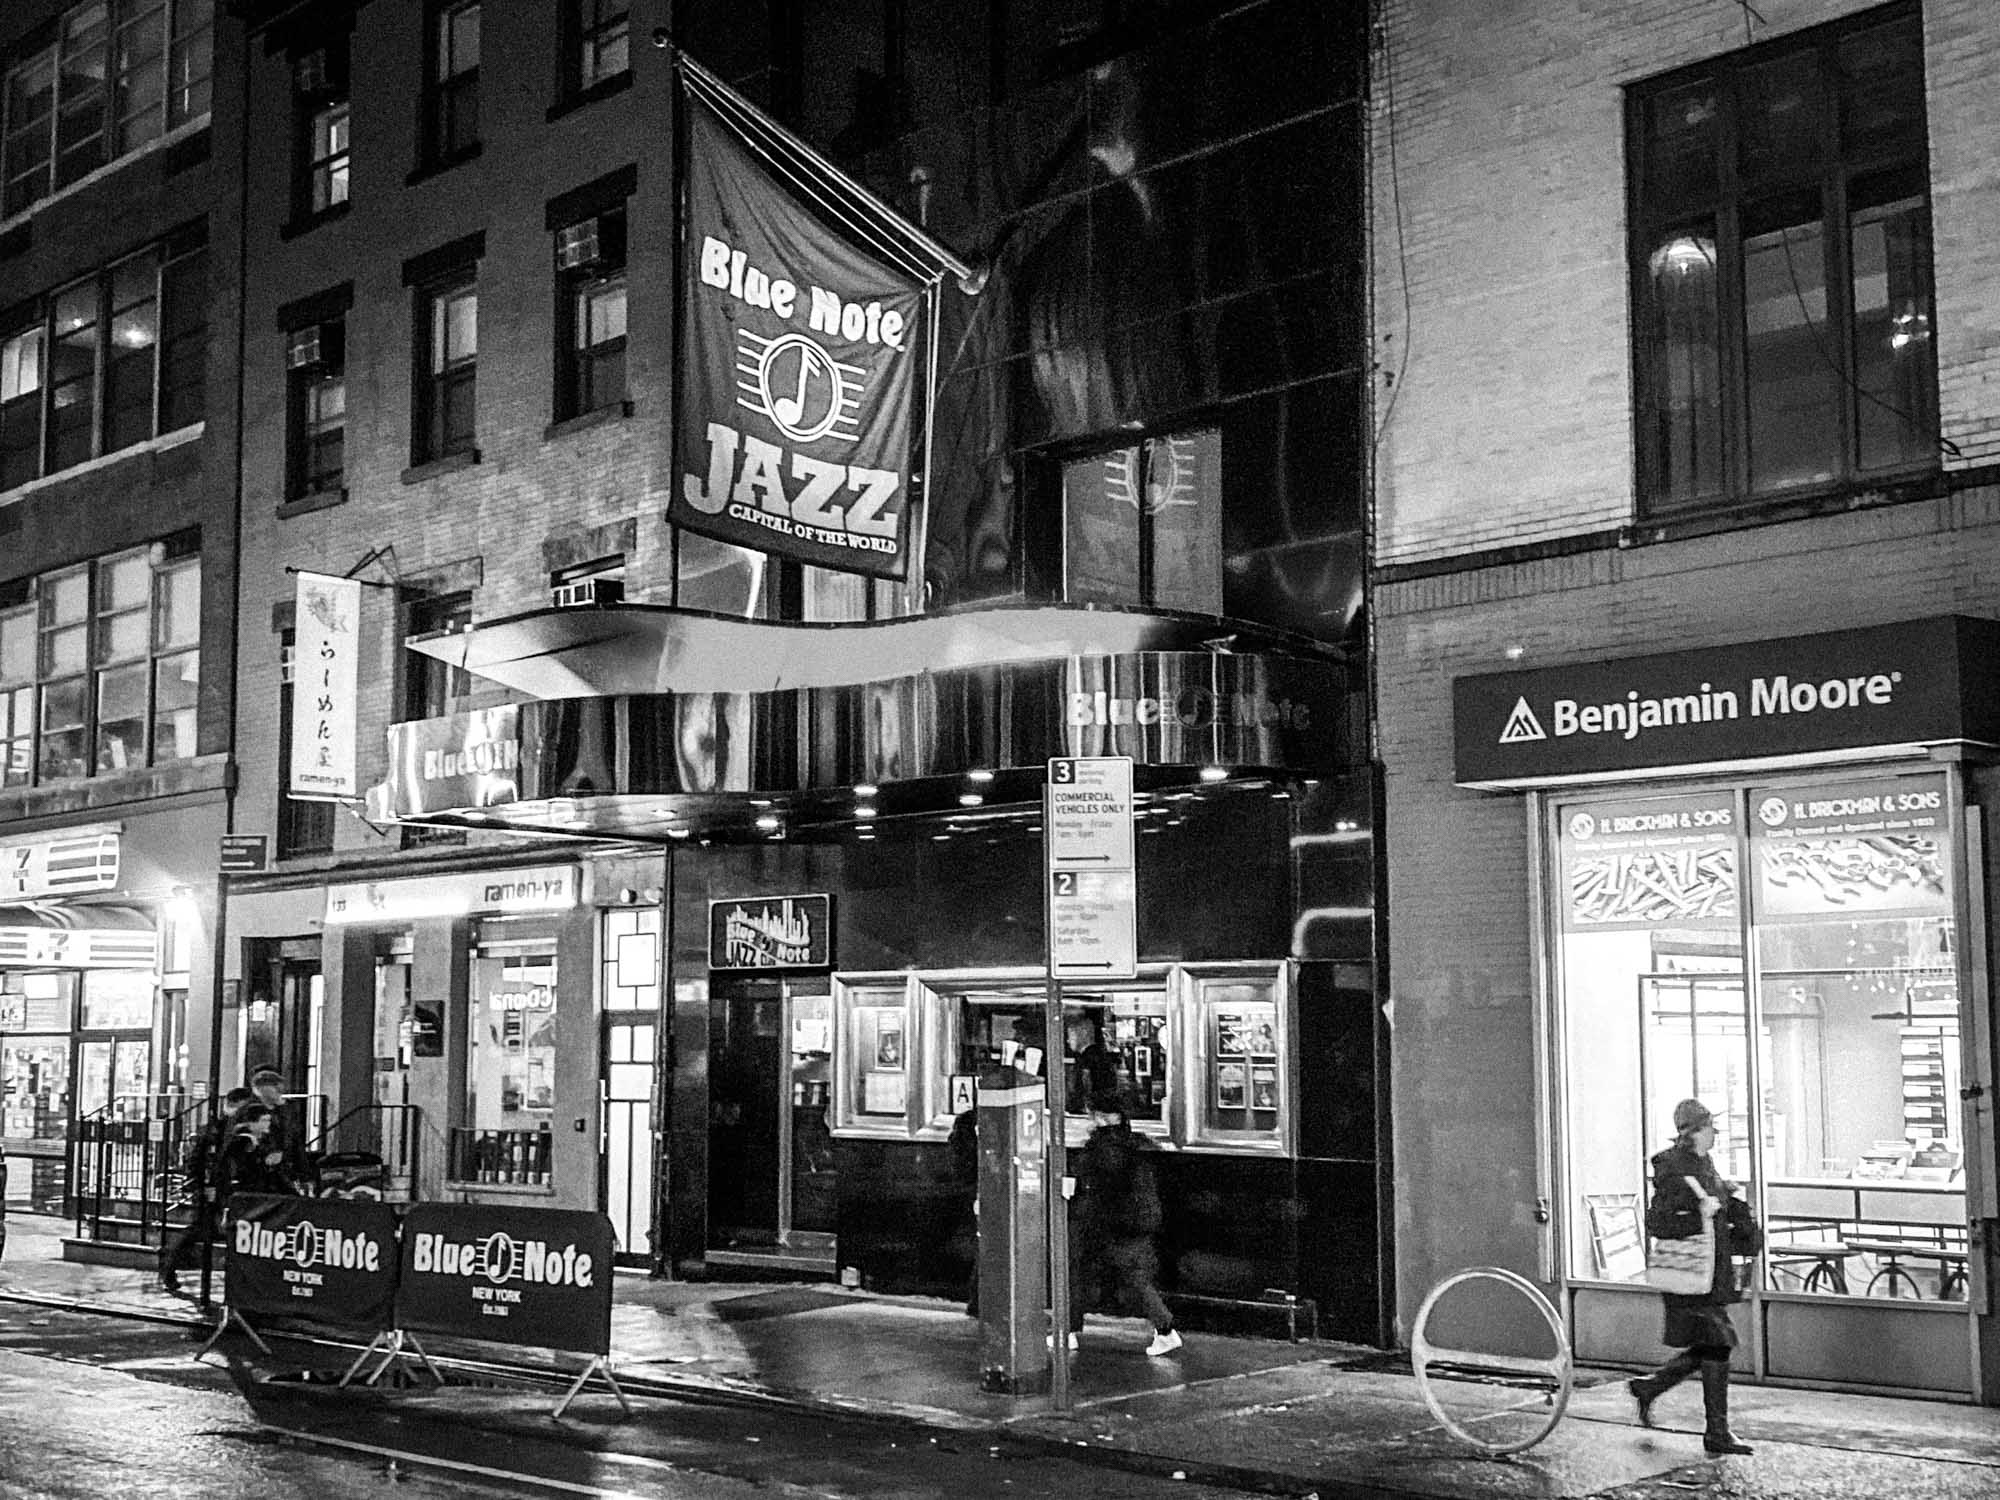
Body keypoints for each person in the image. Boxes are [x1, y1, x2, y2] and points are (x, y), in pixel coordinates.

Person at [1628, 1098, 1754, 1456]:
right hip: (1689, 1273)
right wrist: (1699, 1212)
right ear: (1695, 1130)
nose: (1716, 1133)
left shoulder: (1703, 1163)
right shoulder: (1673, 1168)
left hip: (1708, 1272)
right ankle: (1716, 1432)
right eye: (1711, 1127)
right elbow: (1658, 1222)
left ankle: (1651, 1387)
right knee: (1719, 1342)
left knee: (1711, 1345)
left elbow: (1713, 1212)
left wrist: (1728, 1200)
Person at [1069, 1087, 1181, 1357]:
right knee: (1132, 1277)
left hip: (1109, 1223)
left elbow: (1098, 1184)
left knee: (1081, 1273)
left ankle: (1068, 1331)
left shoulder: (1104, 1147)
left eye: (1093, 1115)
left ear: (1103, 1117)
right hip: (1133, 1221)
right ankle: (1164, 1330)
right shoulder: (1135, 1143)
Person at [158, 1086, 255, 1295]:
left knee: (207, 1231)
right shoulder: (216, 1129)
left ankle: (170, 1264)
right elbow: (199, 1160)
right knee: (199, 1230)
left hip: (226, 1190)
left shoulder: (232, 1129)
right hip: (212, 1190)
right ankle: (168, 1263)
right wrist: (201, 1187)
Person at [249, 1067, 317, 1192]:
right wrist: (265, 1155)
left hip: (285, 1171)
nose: (280, 1093)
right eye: (276, 1089)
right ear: (261, 1089)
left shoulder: (287, 1111)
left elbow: (295, 1140)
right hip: (259, 1175)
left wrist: (305, 1175)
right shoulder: (250, 1113)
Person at [215, 1105, 298, 1203]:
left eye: (269, 1120)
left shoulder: (264, 1140)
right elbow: (242, 1166)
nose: (268, 1124)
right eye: (263, 1120)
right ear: (251, 1123)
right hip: (249, 1192)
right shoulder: (243, 1141)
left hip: (259, 1190)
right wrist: (265, 1160)